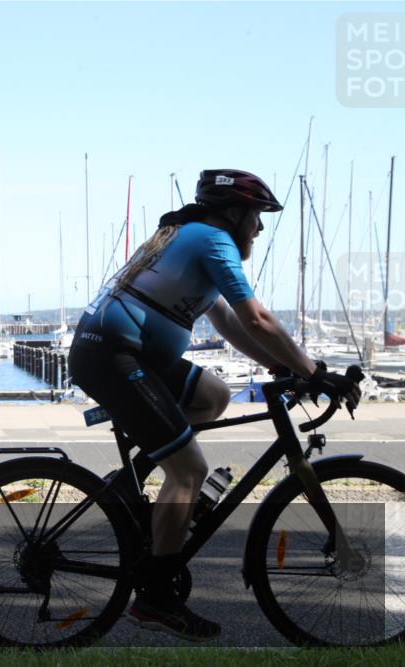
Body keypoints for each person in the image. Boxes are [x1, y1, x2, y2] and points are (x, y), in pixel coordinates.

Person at [68, 169, 361, 641]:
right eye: (257, 218)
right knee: (188, 470)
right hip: (113, 355)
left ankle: (130, 484)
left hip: (131, 353)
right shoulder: (211, 240)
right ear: (233, 213)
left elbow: (228, 323)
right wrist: (313, 372)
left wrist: (279, 368)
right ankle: (156, 601)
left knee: (214, 396)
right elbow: (259, 318)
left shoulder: (192, 239)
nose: (260, 229)